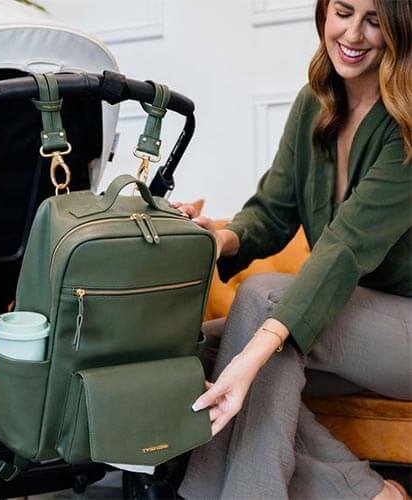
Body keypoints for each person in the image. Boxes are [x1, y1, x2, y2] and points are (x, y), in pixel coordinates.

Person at [175, 0, 412, 498]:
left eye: (373, 20)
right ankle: (366, 494)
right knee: (186, 354)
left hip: (402, 332)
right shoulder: (314, 103)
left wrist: (254, 353)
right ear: (324, 13)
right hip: (344, 324)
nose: (353, 34)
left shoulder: (407, 122)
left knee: (264, 304)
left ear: (398, 28)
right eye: (343, 12)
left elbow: (344, 248)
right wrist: (215, 238)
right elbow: (272, 211)